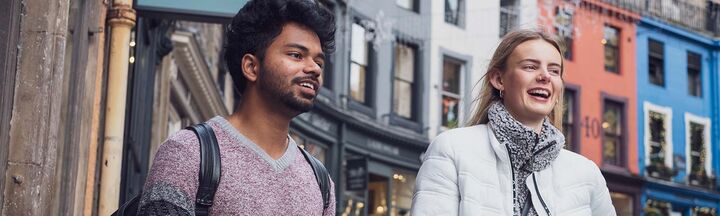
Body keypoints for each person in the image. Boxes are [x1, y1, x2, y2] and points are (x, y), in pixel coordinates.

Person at [137, 0, 336, 215]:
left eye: (319, 62)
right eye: (296, 55)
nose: (314, 68)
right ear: (251, 67)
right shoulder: (187, 153)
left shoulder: (320, 182)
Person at [411, 29, 615, 216]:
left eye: (554, 70)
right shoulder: (452, 150)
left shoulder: (586, 174)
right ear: (499, 79)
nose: (545, 76)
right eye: (530, 66)